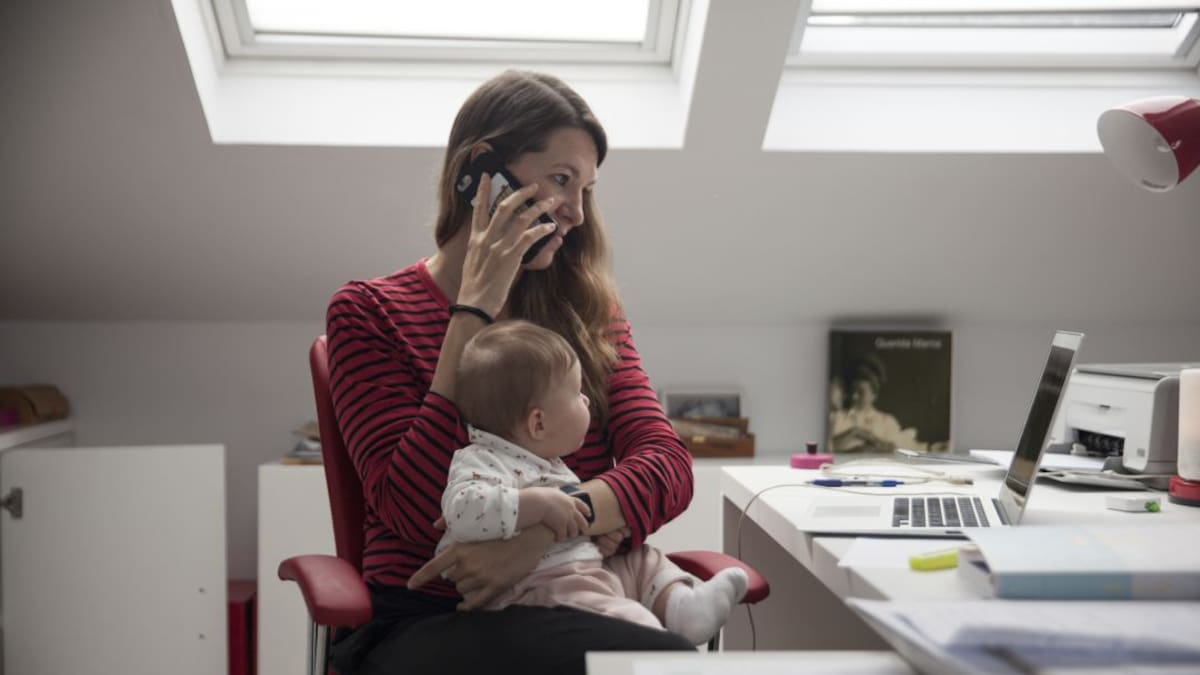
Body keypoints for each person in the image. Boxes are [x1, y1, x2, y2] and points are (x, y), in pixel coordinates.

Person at [325, 70, 702, 675]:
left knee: (651, 659)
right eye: (560, 180)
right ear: (481, 172)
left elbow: (666, 465)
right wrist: (471, 312)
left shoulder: (587, 309)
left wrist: (537, 537)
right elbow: (412, 510)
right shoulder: (369, 313)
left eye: (586, 189)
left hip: (581, 597)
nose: (577, 213)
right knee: (652, 663)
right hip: (430, 617)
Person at [441, 320, 747, 644]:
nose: (587, 400)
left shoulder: (547, 461)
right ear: (538, 423)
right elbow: (461, 511)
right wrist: (538, 505)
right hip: (539, 588)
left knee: (642, 559)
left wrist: (599, 535)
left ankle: (683, 609)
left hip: (579, 567)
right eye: (577, 393)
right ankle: (651, 635)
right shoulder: (482, 459)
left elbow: (664, 461)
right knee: (628, 621)